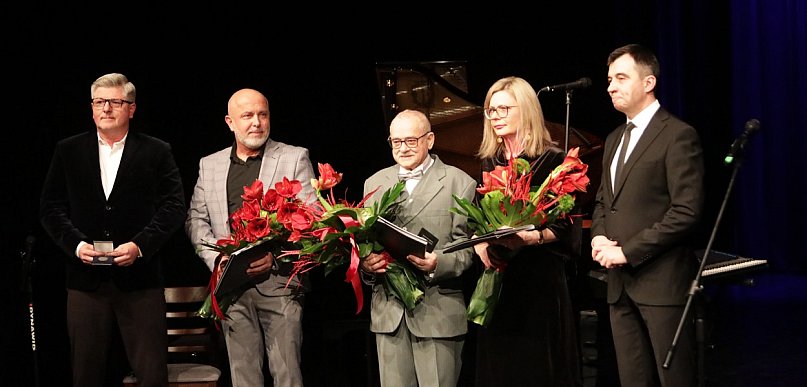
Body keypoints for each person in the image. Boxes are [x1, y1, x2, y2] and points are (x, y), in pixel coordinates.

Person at [39, 72, 186, 387]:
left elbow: (173, 207)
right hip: (85, 281)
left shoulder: (156, 150)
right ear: (91, 108)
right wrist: (77, 245)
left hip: (140, 281)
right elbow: (50, 208)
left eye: (115, 102)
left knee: (151, 375)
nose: (106, 108)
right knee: (86, 375)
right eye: (99, 102)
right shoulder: (68, 150)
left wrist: (140, 245)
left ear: (131, 108)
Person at [591, 43, 704, 387]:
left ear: (649, 82)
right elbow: (603, 202)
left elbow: (686, 212)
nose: (611, 86)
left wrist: (627, 251)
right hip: (619, 287)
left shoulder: (677, 135)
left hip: (661, 285)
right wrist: (597, 234)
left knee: (675, 380)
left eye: (621, 77)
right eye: (610, 79)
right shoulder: (613, 139)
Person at [185, 88, 315, 387]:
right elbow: (196, 219)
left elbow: (311, 219)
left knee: (287, 376)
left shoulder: (294, 157)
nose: (256, 122)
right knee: (243, 377)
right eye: (247, 116)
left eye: (262, 114)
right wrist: (217, 258)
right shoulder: (210, 164)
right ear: (230, 122)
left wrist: (275, 256)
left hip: (279, 283)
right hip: (231, 286)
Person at [472, 76, 583, 386]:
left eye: (504, 109)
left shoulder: (553, 162)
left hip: (539, 285)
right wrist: (478, 246)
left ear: (527, 110)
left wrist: (530, 237)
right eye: (491, 111)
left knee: (536, 370)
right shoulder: (488, 162)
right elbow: (474, 221)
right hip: (499, 281)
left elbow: (567, 228)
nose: (495, 117)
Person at [359, 109, 477, 387]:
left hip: (436, 312)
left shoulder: (459, 182)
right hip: (389, 315)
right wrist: (367, 264)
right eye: (396, 142)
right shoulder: (374, 183)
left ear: (430, 140)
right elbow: (364, 242)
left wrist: (439, 262)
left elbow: (469, 250)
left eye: (411, 141)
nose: (403, 148)